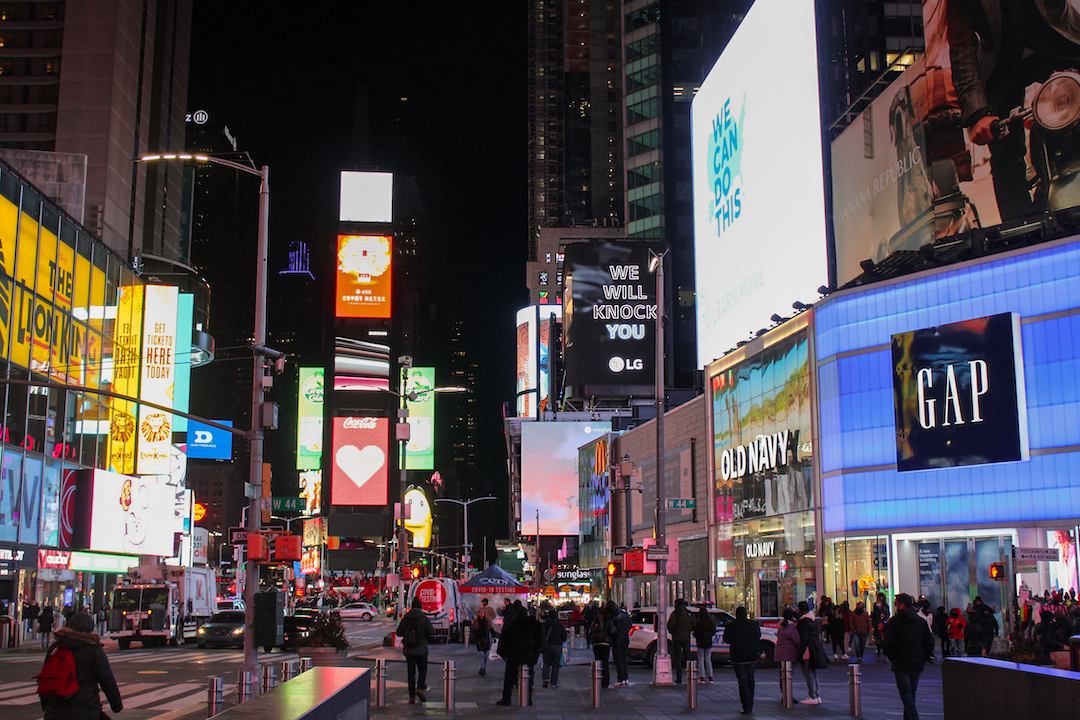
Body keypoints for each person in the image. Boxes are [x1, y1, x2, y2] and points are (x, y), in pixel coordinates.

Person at [946, 0, 1080, 222]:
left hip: (1061, 40)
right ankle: (1020, 235)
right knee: (1004, 157)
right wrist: (978, 114)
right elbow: (962, 50)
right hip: (1003, 64)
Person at [39, 611, 122, 720]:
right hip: (86, 710)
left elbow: (46, 678)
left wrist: (47, 705)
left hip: (56, 711)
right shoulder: (93, 650)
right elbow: (107, 680)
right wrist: (116, 705)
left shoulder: (56, 648)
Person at [882, 593, 934, 720]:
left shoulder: (894, 622)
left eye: (896, 603)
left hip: (901, 662)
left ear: (901, 605)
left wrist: (892, 656)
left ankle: (914, 717)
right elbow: (929, 641)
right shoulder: (921, 622)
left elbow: (888, 643)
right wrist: (925, 656)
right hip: (917, 662)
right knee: (911, 693)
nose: (895, 606)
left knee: (906, 694)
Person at [497, 603, 542, 706]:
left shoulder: (512, 623)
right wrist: (535, 655)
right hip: (528, 655)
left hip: (513, 655)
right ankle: (528, 698)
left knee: (509, 678)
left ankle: (506, 699)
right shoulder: (534, 624)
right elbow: (539, 641)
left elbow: (504, 639)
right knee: (529, 677)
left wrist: (504, 653)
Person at [723, 606, 762, 715]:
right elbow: (758, 636)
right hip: (751, 656)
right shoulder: (753, 624)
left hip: (738, 656)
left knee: (742, 681)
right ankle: (750, 702)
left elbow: (726, 639)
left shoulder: (731, 626)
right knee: (751, 679)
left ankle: (746, 705)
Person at [396, 597, 434, 705]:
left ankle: (411, 696)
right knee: (423, 670)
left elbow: (399, 632)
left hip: (409, 650)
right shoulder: (423, 618)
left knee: (411, 673)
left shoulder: (406, 618)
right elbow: (431, 631)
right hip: (422, 649)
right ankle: (420, 687)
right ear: (420, 606)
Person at [796, 601, 828, 705]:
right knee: (813, 672)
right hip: (815, 648)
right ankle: (817, 695)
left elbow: (804, 638)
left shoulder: (803, 622)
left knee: (808, 672)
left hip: (807, 649)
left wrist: (800, 651)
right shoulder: (813, 620)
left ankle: (812, 695)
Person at [667, 598, 694, 685]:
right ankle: (690, 676)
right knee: (688, 658)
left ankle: (679, 678)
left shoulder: (675, 614)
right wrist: (688, 631)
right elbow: (694, 624)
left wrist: (673, 632)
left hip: (677, 638)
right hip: (686, 638)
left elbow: (670, 626)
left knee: (678, 658)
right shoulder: (689, 613)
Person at [540, 608, 567, 689]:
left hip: (547, 646)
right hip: (557, 646)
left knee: (546, 663)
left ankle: (546, 678)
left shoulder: (544, 624)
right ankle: (553, 683)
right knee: (555, 665)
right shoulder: (560, 624)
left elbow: (541, 635)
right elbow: (564, 637)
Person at [588, 604, 612, 689]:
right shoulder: (608, 620)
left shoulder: (595, 621)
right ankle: (605, 683)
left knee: (597, 662)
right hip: (605, 643)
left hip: (596, 643)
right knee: (605, 663)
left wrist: (590, 641)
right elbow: (613, 631)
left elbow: (590, 632)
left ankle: (597, 680)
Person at [609, 601, 632, 687]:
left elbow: (612, 630)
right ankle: (625, 678)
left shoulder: (613, 617)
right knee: (624, 660)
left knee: (619, 661)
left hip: (617, 641)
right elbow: (629, 625)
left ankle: (621, 679)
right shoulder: (624, 614)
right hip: (625, 640)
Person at [692, 606, 717, 684]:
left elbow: (695, 633)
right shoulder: (710, 621)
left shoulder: (698, 622)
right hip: (708, 642)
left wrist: (699, 635)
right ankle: (710, 676)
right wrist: (707, 635)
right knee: (708, 659)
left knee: (701, 659)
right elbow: (713, 631)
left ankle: (702, 677)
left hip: (700, 642)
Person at [472, 604, 493, 677]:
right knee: (481, 654)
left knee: (486, 655)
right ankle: (482, 668)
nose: (481, 614)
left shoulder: (487, 621)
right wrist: (475, 639)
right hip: (479, 640)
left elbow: (491, 630)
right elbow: (473, 631)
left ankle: (483, 667)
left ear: (484, 614)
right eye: (480, 613)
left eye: (482, 613)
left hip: (486, 640)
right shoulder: (476, 621)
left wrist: (494, 637)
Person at [871, 592, 891, 661]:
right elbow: (874, 614)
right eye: (878, 598)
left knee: (883, 637)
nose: (879, 599)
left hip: (884, 623)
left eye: (880, 598)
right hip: (877, 623)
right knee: (878, 637)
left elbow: (887, 613)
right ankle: (878, 649)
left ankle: (883, 650)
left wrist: (884, 617)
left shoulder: (886, 605)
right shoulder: (875, 605)